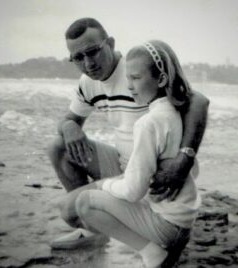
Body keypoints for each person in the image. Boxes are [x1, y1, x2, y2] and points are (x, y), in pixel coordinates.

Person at [48, 18, 208, 250]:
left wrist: (184, 159)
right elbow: (69, 119)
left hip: (152, 174)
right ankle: (93, 230)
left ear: (110, 43)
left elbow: (199, 102)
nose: (88, 63)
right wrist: (69, 126)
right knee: (58, 147)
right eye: (78, 58)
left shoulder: (136, 70)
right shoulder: (88, 83)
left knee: (68, 209)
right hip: (125, 167)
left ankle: (133, 233)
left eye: (92, 52)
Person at [74, 40, 201, 268]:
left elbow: (133, 192)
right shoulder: (176, 112)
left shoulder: (148, 123)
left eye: (136, 78)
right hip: (184, 220)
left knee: (85, 203)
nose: (130, 86)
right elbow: (196, 169)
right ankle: (158, 252)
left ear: (160, 79)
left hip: (168, 228)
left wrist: (104, 186)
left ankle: (153, 254)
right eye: (128, 78)